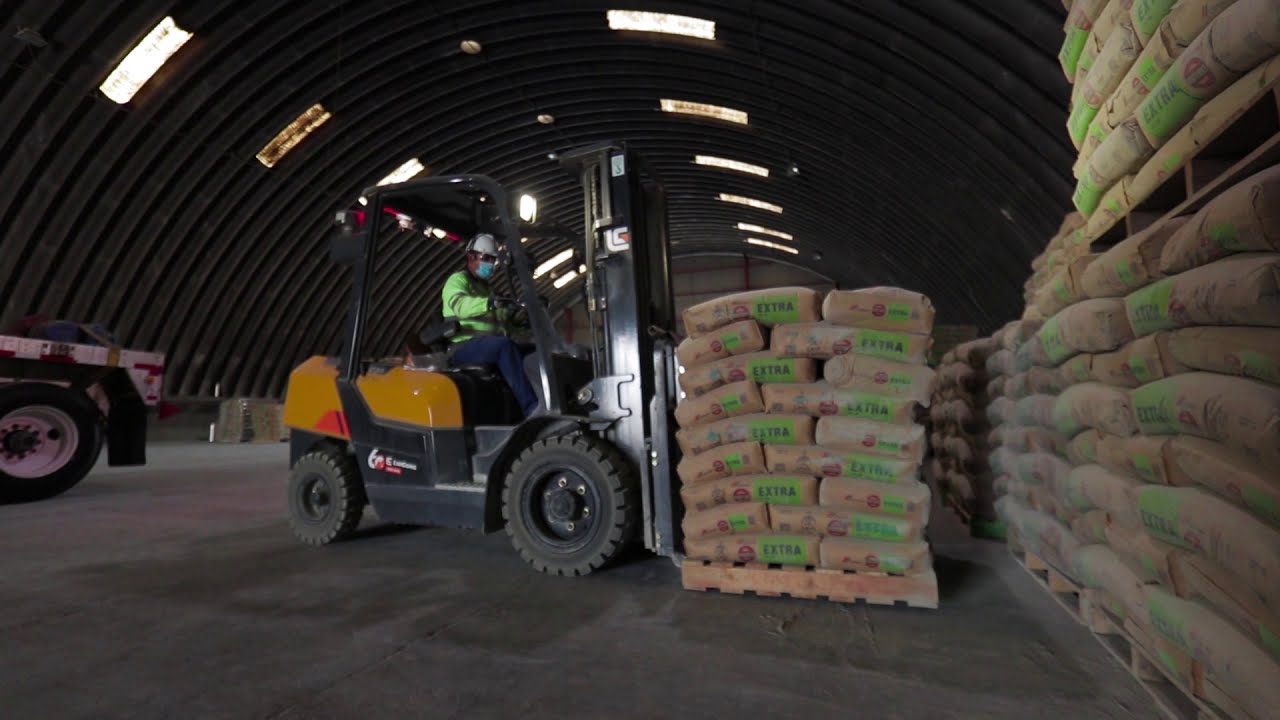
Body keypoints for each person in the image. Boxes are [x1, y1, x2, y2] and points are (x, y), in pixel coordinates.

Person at [442, 233, 540, 417]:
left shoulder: (488, 289)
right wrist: (489, 303)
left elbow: (501, 326)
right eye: (486, 258)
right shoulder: (458, 281)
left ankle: (547, 402)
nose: (491, 264)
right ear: (471, 256)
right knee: (503, 347)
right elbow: (461, 306)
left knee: (533, 350)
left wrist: (522, 324)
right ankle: (531, 409)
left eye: (492, 259)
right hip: (463, 347)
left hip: (487, 345)